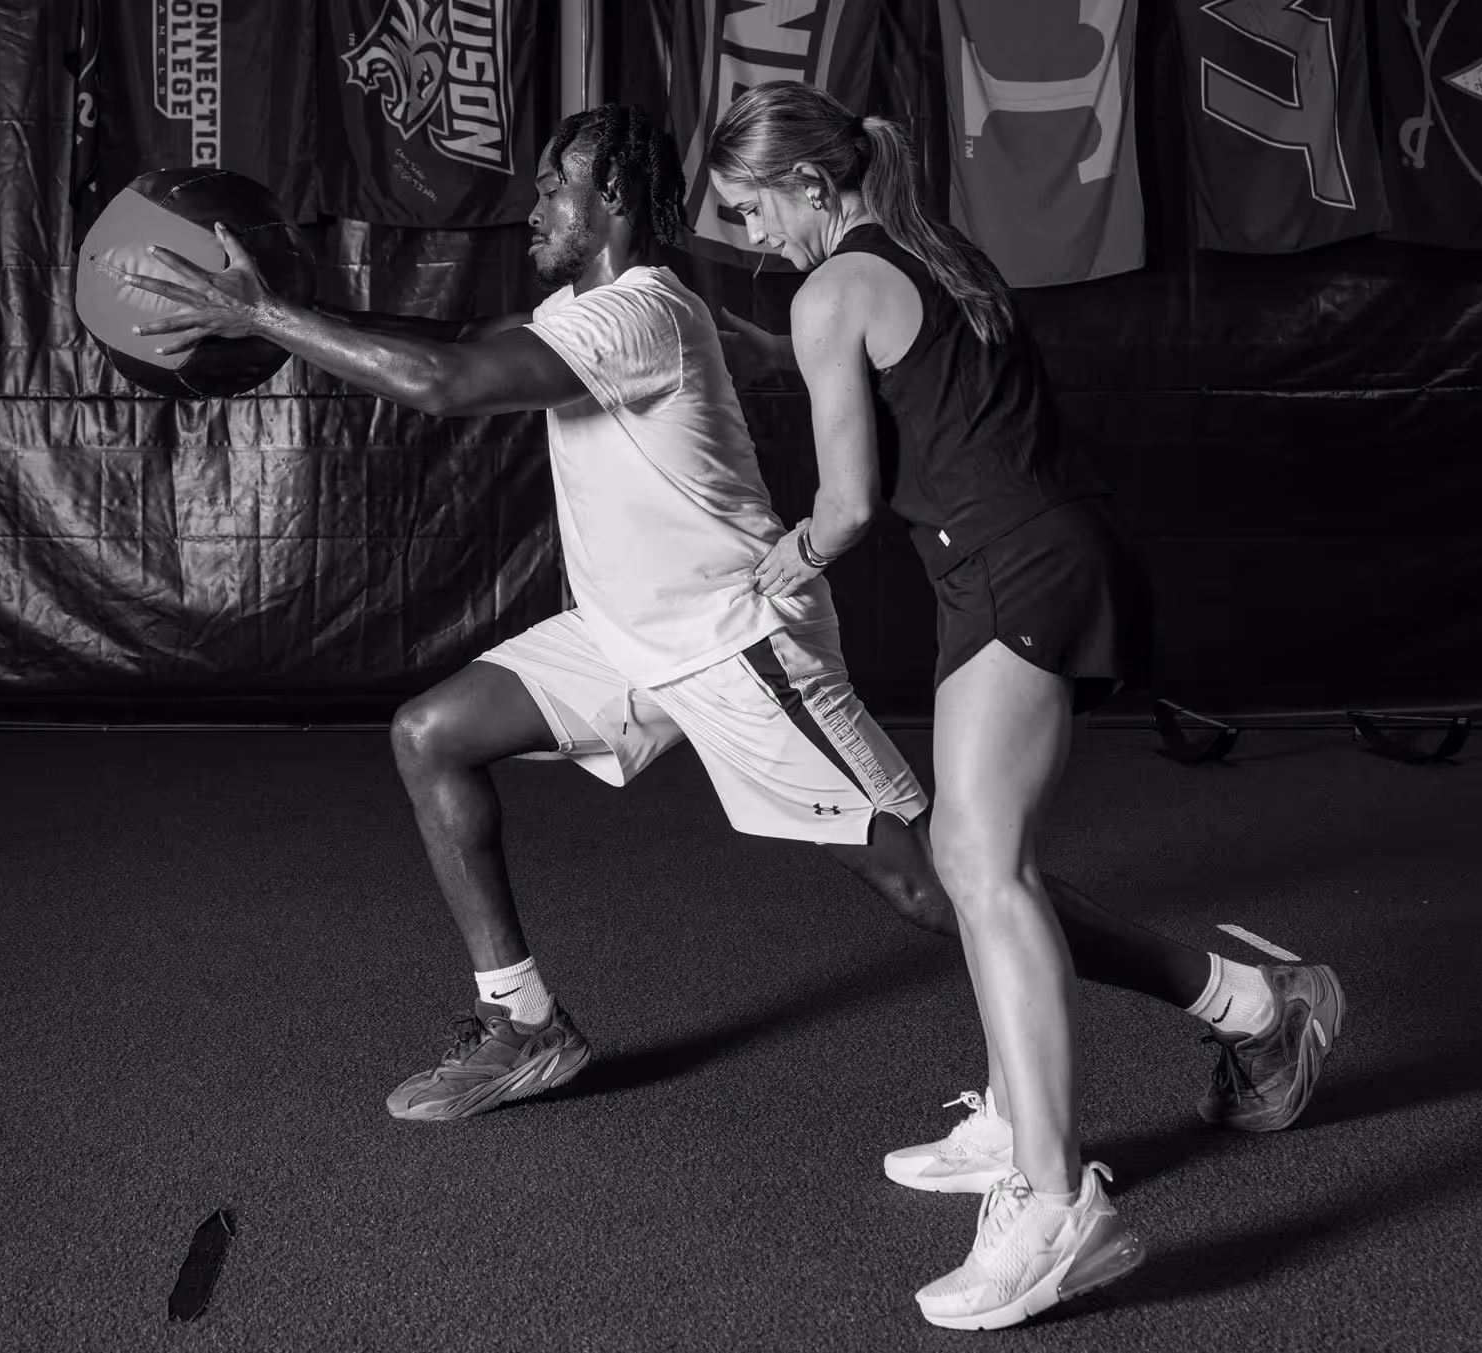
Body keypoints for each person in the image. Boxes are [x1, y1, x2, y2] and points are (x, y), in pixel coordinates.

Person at [122, 100, 1344, 1324]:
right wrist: (282, 310)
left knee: (941, 886)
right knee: (430, 731)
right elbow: (448, 337)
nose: (534, 208)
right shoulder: (600, 309)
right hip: (626, 635)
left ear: (613, 207)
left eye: (555, 189)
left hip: (731, 641)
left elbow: (444, 381)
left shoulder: (644, 309)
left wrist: (260, 317)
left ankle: (1237, 1007)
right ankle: (525, 1026)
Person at [702, 81, 1347, 1328]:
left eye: (747, 210)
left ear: (808, 185)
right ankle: (1017, 1125)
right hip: (1026, 553)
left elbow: (841, 506)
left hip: (1011, 565)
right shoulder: (931, 249)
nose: (749, 236)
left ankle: (1058, 1207)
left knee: (979, 865)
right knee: (978, 854)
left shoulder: (830, 286)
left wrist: (781, 563)